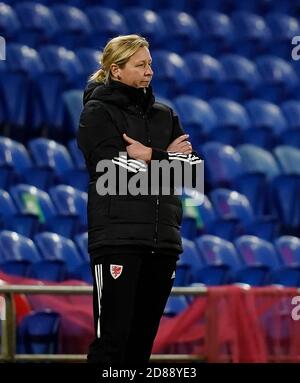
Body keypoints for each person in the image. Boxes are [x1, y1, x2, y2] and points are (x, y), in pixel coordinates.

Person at [77, 34, 201, 364]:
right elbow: (110, 173)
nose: (149, 71)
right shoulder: (96, 113)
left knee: (141, 348)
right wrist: (166, 159)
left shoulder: (165, 114)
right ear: (115, 70)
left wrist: (149, 155)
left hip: (163, 242)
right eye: (140, 65)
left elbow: (192, 173)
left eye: (150, 64)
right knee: (112, 344)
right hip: (118, 238)